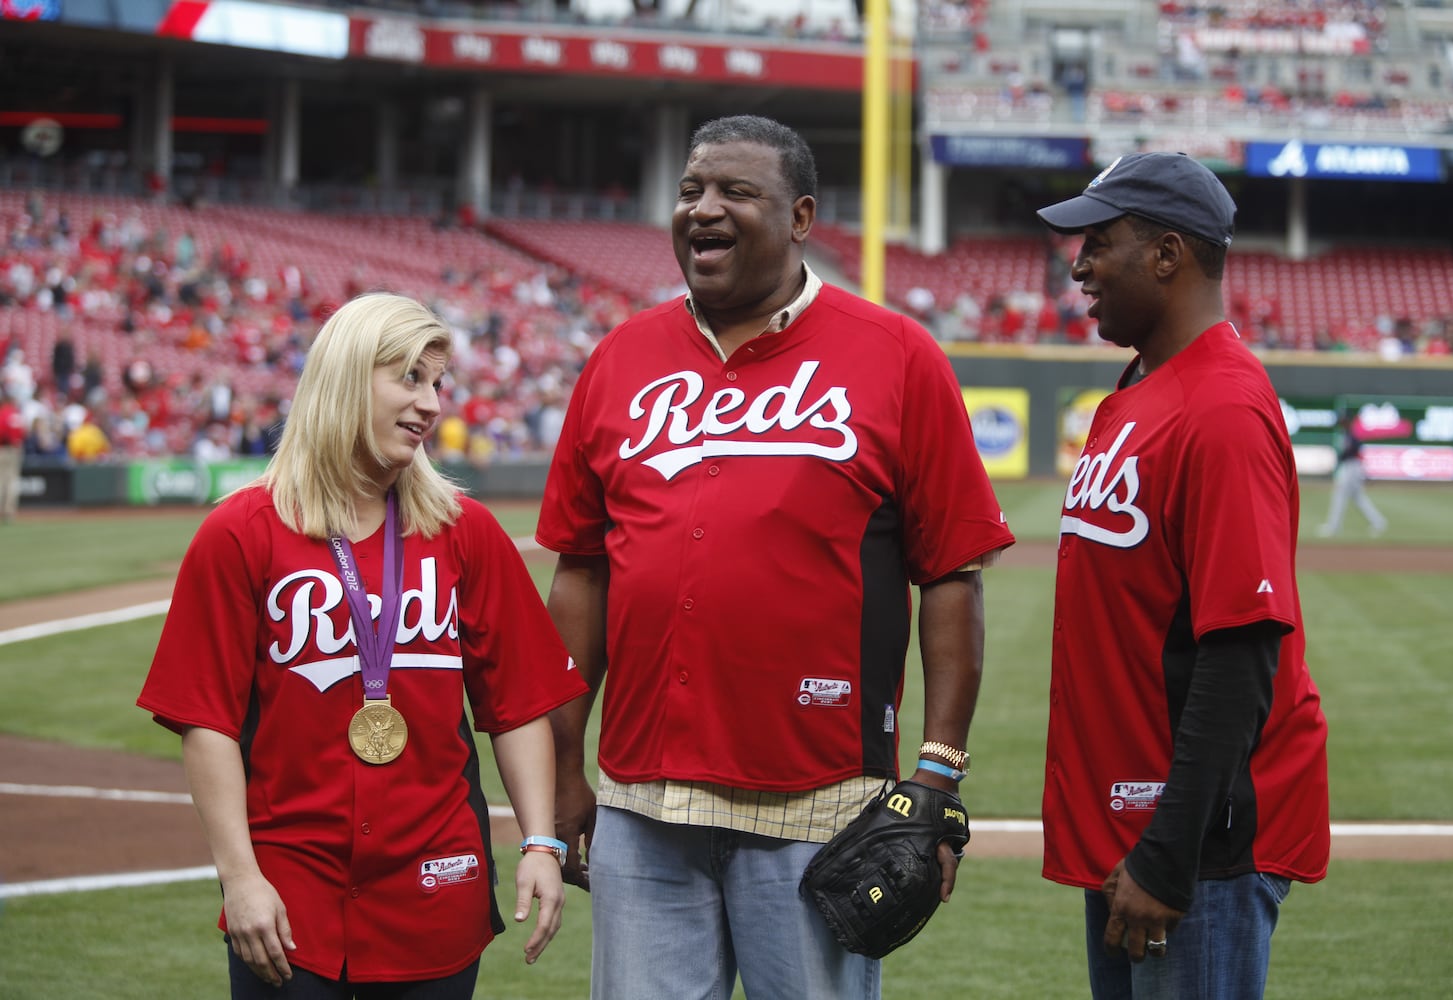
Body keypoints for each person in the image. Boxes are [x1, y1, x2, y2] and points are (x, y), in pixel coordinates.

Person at [535, 114, 1015, 1000]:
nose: (703, 209)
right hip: (643, 805)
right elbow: (582, 571)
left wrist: (939, 771)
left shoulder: (898, 356)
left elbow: (952, 570)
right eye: (690, 192)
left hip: (819, 804)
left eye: (734, 193)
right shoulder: (619, 358)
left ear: (799, 218)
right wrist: (564, 767)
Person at [137, 293, 588, 999]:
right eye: (410, 377)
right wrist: (241, 877)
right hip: (289, 901)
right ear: (347, 377)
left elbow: (519, 703)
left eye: (438, 382)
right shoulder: (240, 534)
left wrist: (539, 842)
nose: (432, 403)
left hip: (437, 890)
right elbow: (207, 722)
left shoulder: (467, 533)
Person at [1034, 153, 1331, 1000]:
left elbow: (1242, 651)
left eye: (1100, 242)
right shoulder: (1135, 392)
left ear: (1168, 255)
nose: (1080, 265)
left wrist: (1170, 854)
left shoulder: (1223, 410)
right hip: (1135, 830)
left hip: (1196, 849)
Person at [1319, 410, 1387, 537]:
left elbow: (1354, 450)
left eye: (1342, 421)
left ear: (1346, 421)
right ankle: (1378, 522)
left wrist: (1342, 458)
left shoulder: (1351, 434)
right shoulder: (1346, 433)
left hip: (1352, 467)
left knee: (1339, 495)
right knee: (1358, 498)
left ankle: (1333, 527)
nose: (1341, 423)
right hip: (1351, 467)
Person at [0, 385, 25, 522]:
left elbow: (2, 432)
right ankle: (9, 512)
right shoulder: (16, 413)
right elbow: (22, 432)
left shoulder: (3, 413)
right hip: (14, 448)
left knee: (2, 480)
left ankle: (3, 510)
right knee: (11, 481)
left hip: (3, 448)